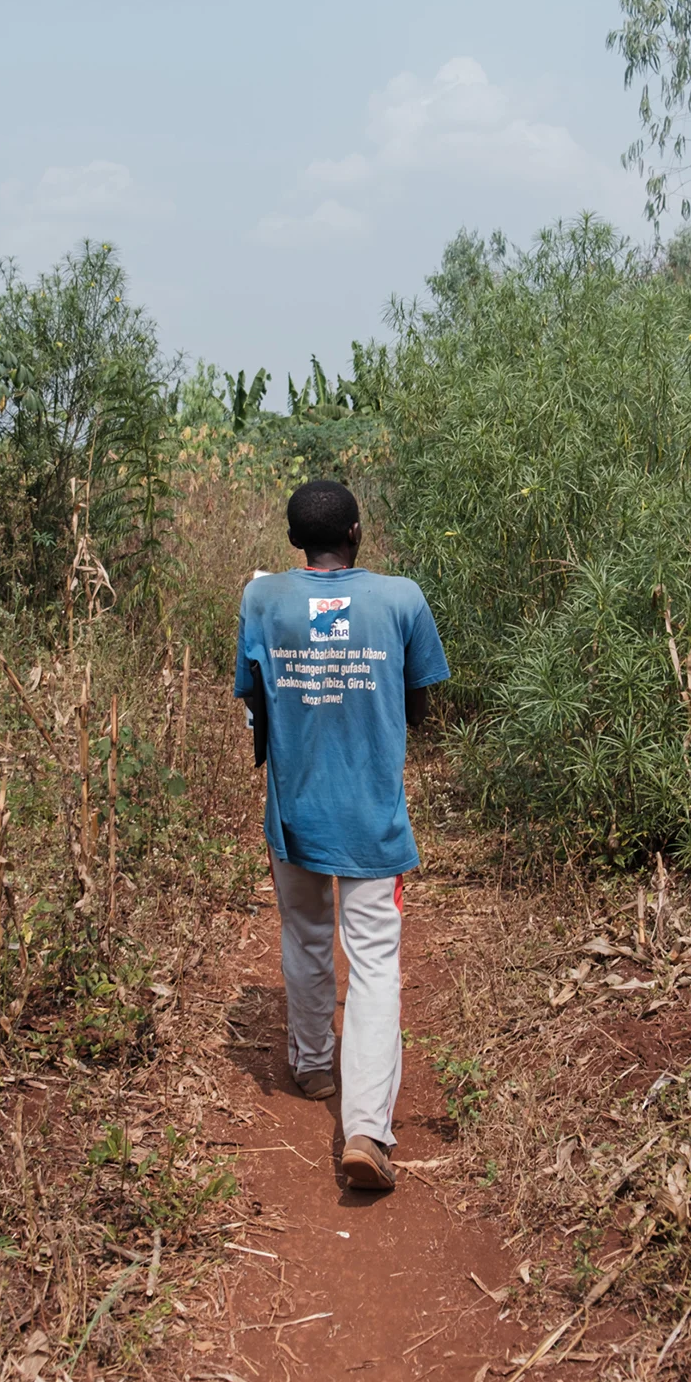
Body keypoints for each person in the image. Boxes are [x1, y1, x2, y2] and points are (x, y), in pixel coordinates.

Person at [234, 479, 449, 1191]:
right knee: (375, 960)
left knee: (305, 936)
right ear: (356, 533)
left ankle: (313, 1066)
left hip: (294, 813)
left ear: (296, 540)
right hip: (371, 819)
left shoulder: (262, 600)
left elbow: (256, 702)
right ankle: (365, 1131)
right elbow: (417, 709)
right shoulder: (401, 599)